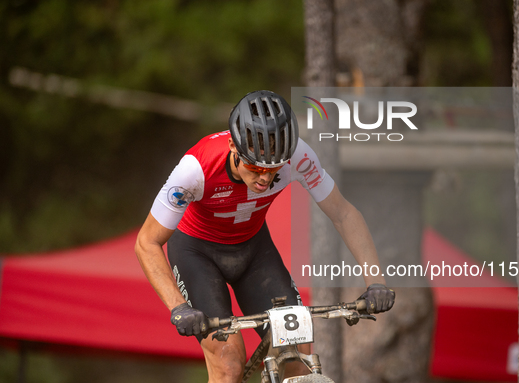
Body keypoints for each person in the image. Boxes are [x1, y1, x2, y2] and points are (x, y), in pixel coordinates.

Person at [135, 90, 395, 383]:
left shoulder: (297, 156)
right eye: (256, 167)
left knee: (296, 353)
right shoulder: (196, 169)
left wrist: (376, 281)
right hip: (198, 254)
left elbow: (343, 214)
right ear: (234, 146)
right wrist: (178, 308)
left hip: (254, 250)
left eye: (274, 169)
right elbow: (147, 242)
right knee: (229, 363)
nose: (264, 178)